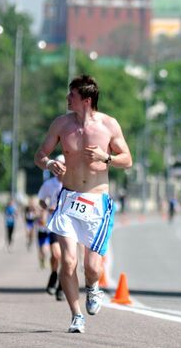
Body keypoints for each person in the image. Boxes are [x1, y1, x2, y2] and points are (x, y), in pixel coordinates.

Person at [34, 75, 133, 333]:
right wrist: (49, 163)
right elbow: (39, 154)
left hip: (96, 202)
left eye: (72, 96)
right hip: (68, 198)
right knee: (67, 262)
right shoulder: (62, 124)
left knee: (92, 267)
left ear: (86, 100)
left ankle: (92, 287)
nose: (67, 99)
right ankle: (76, 315)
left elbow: (128, 159)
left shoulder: (108, 125)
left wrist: (106, 157)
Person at [37, 154, 65, 299]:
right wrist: (48, 207)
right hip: (54, 224)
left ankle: (61, 286)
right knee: (56, 255)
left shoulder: (73, 182)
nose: (59, 168)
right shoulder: (49, 184)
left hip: (69, 225)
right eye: (58, 165)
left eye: (63, 165)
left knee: (67, 259)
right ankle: (54, 274)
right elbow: (41, 200)